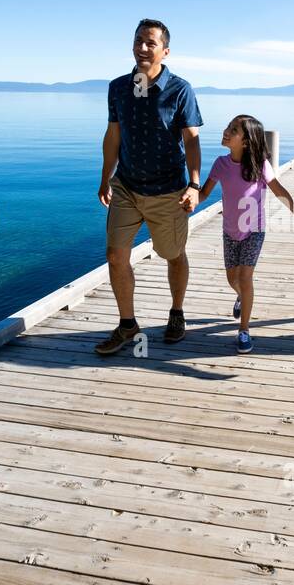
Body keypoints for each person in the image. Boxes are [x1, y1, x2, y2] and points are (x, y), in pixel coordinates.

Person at [95, 19, 203, 355]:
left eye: (150, 43)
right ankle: (127, 325)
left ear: (165, 51)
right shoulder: (117, 87)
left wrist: (194, 184)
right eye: (138, 41)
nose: (143, 47)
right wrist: (104, 176)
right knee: (115, 255)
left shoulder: (180, 89)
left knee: (172, 255)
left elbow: (192, 140)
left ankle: (176, 312)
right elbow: (114, 134)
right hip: (125, 185)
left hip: (168, 190)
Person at [198, 114, 294, 354]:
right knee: (232, 279)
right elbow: (203, 194)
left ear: (245, 142)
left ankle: (244, 330)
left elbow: (279, 191)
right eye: (228, 126)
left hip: (254, 230)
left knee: (245, 278)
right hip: (229, 230)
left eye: (233, 130)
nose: (226, 131)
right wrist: (185, 200)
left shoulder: (260, 166)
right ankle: (241, 297)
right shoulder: (220, 164)